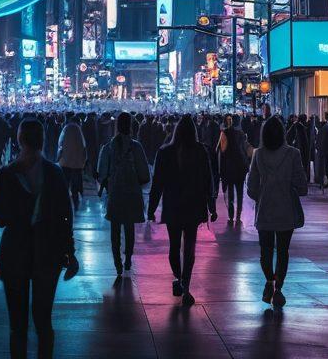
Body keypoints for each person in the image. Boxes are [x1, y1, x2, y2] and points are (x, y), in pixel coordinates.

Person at [0, 118, 79, 359]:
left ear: (19, 140)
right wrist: (69, 250)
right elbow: (65, 214)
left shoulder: (6, 174)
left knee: (17, 325)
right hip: (47, 251)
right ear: (43, 140)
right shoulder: (54, 172)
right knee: (43, 321)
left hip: (14, 252)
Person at [148, 113, 215, 307]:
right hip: (193, 205)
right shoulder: (201, 151)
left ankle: (178, 278)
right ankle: (186, 285)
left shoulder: (165, 152)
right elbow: (207, 180)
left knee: (174, 246)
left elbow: (157, 184)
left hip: (173, 205)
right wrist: (211, 205)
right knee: (190, 248)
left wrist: (151, 208)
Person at [246, 114, 308, 309]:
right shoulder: (293, 154)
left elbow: (251, 185)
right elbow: (301, 185)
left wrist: (261, 195)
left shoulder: (259, 154)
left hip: (265, 209)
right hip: (286, 210)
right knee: (283, 251)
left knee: (265, 250)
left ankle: (269, 281)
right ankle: (279, 288)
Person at [96, 110, 150, 277]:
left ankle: (117, 262)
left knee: (114, 228)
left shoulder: (108, 147)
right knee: (129, 227)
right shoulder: (136, 147)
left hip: (115, 192)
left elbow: (101, 173)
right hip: (132, 192)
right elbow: (144, 174)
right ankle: (128, 259)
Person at [217, 114, 250, 224]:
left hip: (229, 167)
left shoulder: (224, 134)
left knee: (230, 192)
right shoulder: (241, 134)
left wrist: (221, 170)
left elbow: (222, 152)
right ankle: (238, 215)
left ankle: (231, 216)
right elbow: (245, 151)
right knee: (240, 192)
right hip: (240, 166)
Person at [56, 116, 86, 210]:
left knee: (65, 183)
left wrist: (58, 157)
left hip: (65, 161)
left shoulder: (66, 128)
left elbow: (60, 144)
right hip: (77, 163)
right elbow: (83, 146)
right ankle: (75, 201)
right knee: (75, 185)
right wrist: (83, 161)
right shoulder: (79, 131)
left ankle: (64, 203)